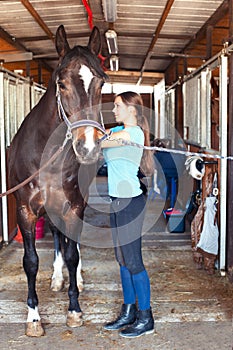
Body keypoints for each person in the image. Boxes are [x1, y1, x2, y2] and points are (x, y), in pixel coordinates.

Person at [101, 91, 154, 338]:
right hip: (116, 200)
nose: (114, 110)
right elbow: (101, 140)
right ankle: (129, 311)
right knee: (122, 260)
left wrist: (106, 135)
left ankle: (146, 318)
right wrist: (105, 135)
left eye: (118, 106)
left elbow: (102, 141)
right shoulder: (119, 131)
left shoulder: (134, 133)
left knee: (133, 261)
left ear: (132, 109)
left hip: (130, 201)